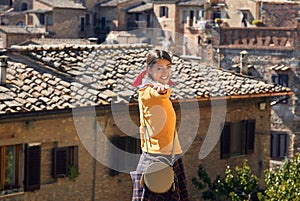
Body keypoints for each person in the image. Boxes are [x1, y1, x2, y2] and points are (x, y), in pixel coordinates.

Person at [130, 49, 189, 201]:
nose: (165, 72)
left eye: (168, 67)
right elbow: (157, 93)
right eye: (159, 68)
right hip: (157, 158)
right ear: (149, 70)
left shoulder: (158, 95)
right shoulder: (147, 91)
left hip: (172, 156)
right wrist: (162, 90)